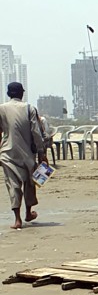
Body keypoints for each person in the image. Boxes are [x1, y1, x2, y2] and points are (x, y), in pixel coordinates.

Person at [0, 82, 47, 229]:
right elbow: (36, 132)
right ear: (22, 93)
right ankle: (28, 213)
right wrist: (42, 152)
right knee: (30, 183)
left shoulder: (1, 109)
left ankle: (17, 220)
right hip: (27, 154)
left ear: (8, 94)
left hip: (7, 153)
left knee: (12, 185)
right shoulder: (29, 108)